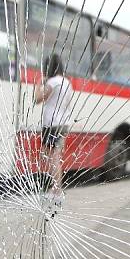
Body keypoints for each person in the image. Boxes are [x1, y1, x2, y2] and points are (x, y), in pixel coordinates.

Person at [35, 54, 74, 195]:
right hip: (63, 123)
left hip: (52, 124)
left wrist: (39, 84)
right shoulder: (67, 82)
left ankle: (56, 188)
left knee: (52, 157)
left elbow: (38, 99)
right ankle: (54, 186)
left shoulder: (52, 82)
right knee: (52, 155)